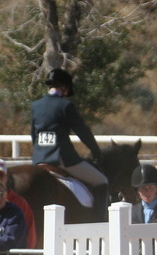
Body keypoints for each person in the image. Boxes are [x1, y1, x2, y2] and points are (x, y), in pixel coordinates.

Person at [30, 68, 108, 212]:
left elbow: (34, 135)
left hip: (39, 159)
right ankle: (101, 220)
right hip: (63, 160)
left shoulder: (36, 105)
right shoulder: (66, 106)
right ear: (64, 86)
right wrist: (95, 150)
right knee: (101, 181)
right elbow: (82, 131)